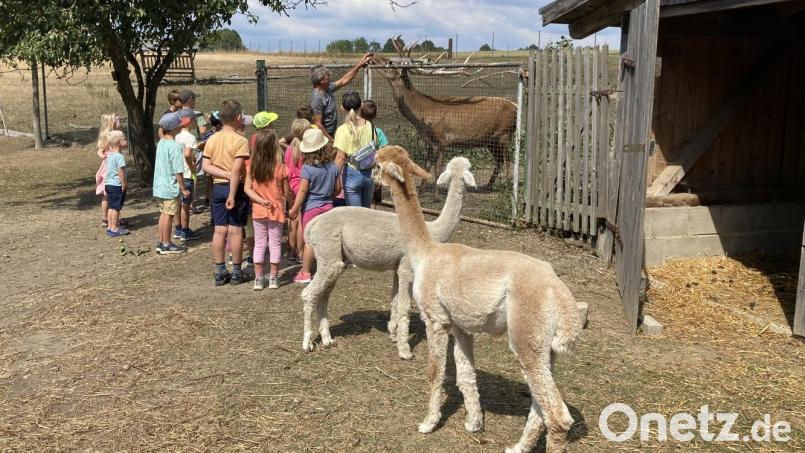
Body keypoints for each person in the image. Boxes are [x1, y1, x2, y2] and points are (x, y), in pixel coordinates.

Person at [232, 129, 291, 290]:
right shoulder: (281, 168)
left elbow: (247, 189)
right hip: (276, 210)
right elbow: (286, 192)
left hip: (258, 210)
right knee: (275, 244)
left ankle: (259, 278)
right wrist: (291, 203)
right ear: (274, 147)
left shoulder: (253, 167)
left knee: (259, 243)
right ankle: (273, 277)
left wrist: (260, 200)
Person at [202, 99, 250, 286]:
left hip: (217, 189)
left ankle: (220, 271)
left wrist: (223, 174)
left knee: (219, 230)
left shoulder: (212, 139)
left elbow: (206, 166)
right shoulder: (241, 141)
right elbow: (237, 171)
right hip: (234, 190)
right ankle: (237, 272)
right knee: (236, 231)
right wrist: (232, 191)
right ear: (238, 118)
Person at [288, 128, 341, 284]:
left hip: (311, 208)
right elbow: (338, 189)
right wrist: (328, 196)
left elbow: (303, 190)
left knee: (309, 241)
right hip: (328, 207)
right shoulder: (332, 167)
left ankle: (305, 272)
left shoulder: (307, 168)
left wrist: (294, 209)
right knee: (325, 239)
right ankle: (326, 270)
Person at [333, 91, 381, 208]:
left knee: (354, 216)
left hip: (351, 174)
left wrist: (333, 178)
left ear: (342, 108)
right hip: (369, 174)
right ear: (361, 105)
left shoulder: (342, 129)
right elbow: (377, 151)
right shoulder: (372, 126)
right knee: (366, 213)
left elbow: (340, 158)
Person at [309, 53, 373, 140]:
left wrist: (359, 65)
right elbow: (318, 124)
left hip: (331, 132)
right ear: (321, 80)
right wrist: (331, 141)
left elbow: (343, 80)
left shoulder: (327, 88)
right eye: (327, 75)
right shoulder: (317, 99)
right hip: (324, 136)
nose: (330, 77)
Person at [153, 112, 191, 254]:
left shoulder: (161, 142)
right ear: (176, 127)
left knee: (163, 213)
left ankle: (162, 241)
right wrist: (183, 188)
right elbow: (178, 171)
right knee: (169, 215)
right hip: (169, 186)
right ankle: (167, 244)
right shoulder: (175, 146)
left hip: (159, 185)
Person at [173, 108, 203, 242]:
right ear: (188, 121)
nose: (195, 122)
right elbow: (187, 154)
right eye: (194, 119)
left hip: (177, 173)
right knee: (186, 204)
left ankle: (178, 229)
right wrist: (192, 167)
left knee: (178, 203)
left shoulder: (177, 136)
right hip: (186, 174)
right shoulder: (190, 137)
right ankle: (186, 231)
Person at [284, 118, 311, 262]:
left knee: (292, 218)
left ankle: (291, 249)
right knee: (301, 220)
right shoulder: (306, 148)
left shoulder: (289, 148)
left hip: (291, 185)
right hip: (303, 186)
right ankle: (301, 252)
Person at [359, 100, 389, 208]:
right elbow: (384, 152)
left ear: (359, 114)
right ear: (375, 116)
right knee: (372, 200)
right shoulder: (378, 132)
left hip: (358, 169)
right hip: (374, 170)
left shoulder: (357, 130)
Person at [95, 113, 122, 227]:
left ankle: (110, 217)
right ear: (113, 123)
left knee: (109, 194)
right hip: (109, 168)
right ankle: (106, 217)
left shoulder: (117, 135)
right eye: (119, 120)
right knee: (108, 194)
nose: (121, 122)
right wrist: (106, 157)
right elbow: (100, 151)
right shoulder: (109, 136)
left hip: (114, 165)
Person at [104, 130, 130, 237]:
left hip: (108, 184)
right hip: (117, 185)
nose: (126, 140)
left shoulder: (110, 155)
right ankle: (115, 228)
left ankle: (110, 226)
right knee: (116, 207)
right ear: (119, 142)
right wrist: (124, 183)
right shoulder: (119, 157)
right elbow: (121, 171)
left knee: (111, 206)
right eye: (124, 139)